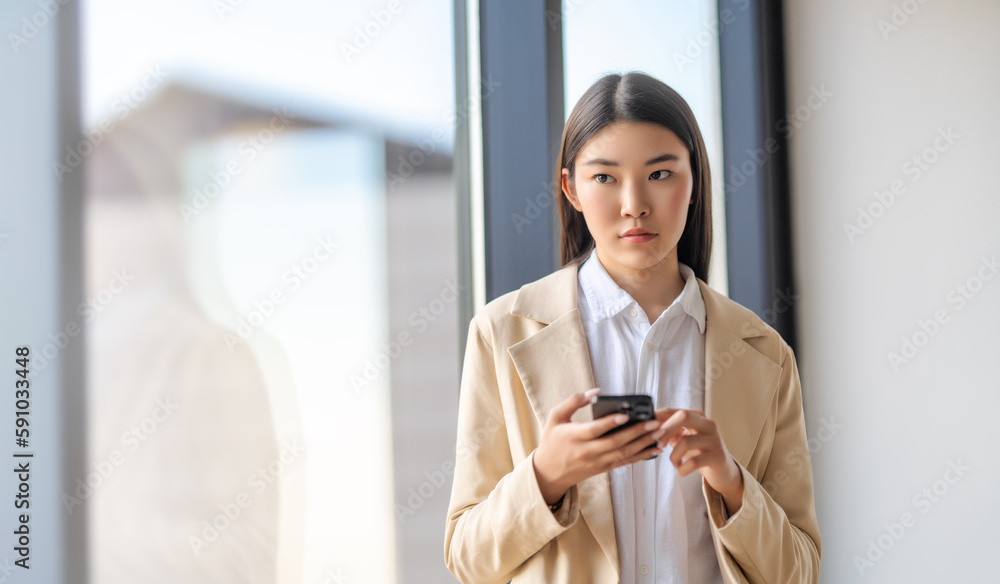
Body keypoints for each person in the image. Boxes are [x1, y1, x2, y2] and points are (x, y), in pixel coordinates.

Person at [444, 71, 821, 584]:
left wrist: (732, 484)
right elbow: (467, 560)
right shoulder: (500, 332)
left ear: (695, 182)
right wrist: (546, 474)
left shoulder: (764, 354)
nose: (633, 204)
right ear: (570, 187)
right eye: (604, 177)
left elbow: (799, 571)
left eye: (661, 174)